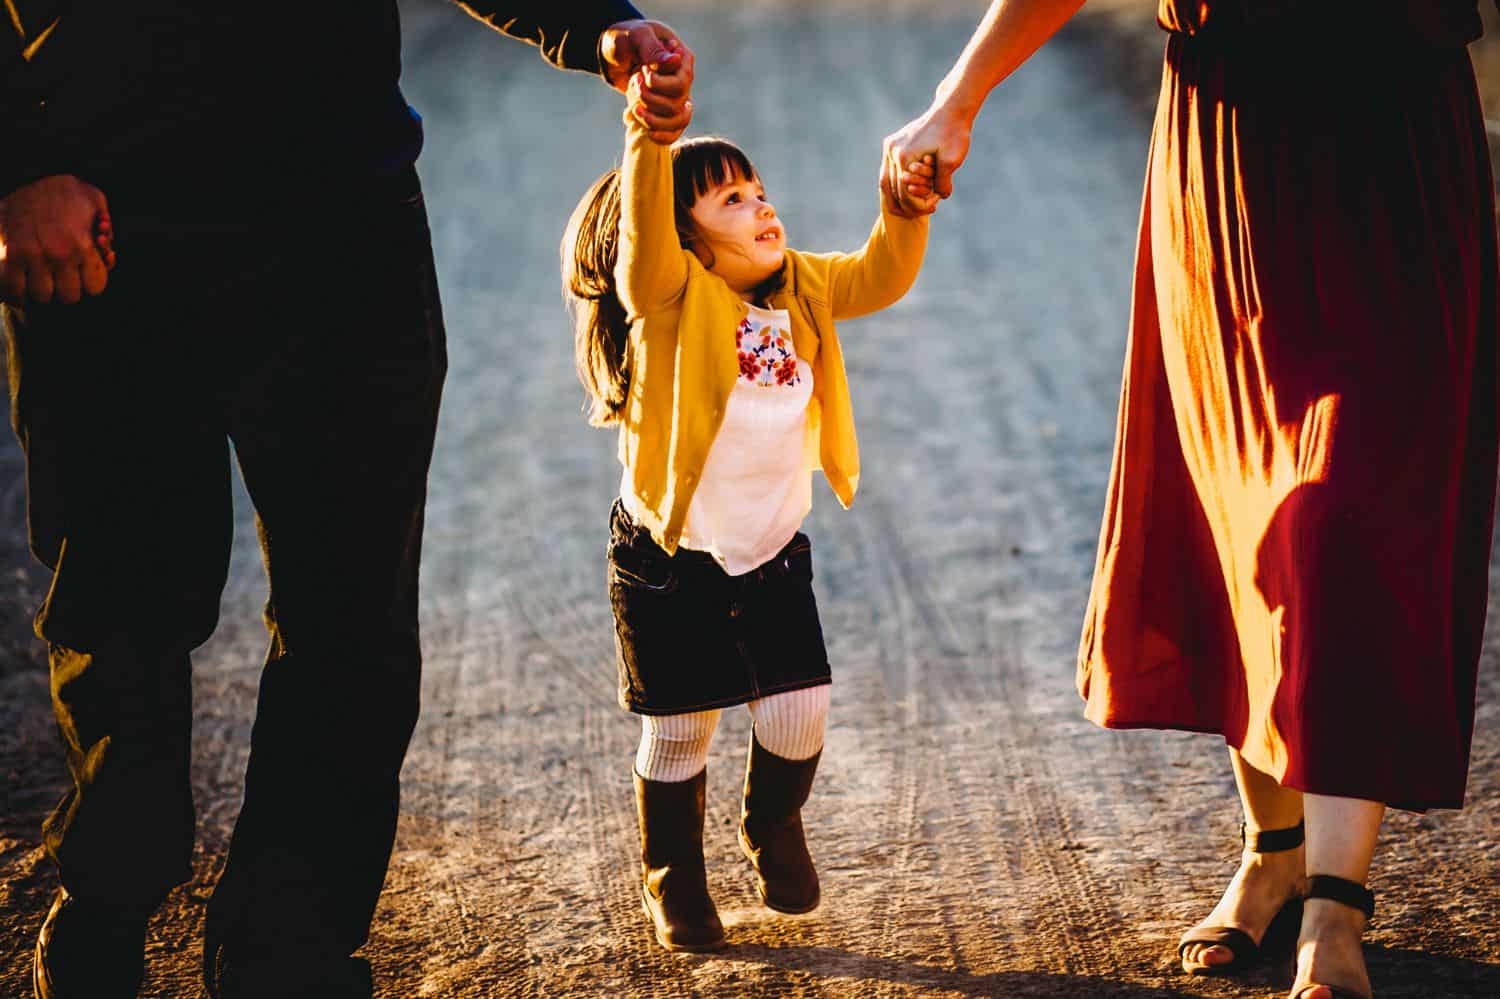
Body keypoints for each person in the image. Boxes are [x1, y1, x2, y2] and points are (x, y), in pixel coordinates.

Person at [0, 4, 694, 997]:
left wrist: (595, 23)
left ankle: (289, 950)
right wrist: (15, 163)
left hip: (341, 218)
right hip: (100, 224)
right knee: (123, 611)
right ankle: (108, 901)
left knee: (350, 621)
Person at [884, 2, 1498, 998]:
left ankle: (1338, 906)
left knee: (1351, 512)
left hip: (1396, 148)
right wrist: (957, 102)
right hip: (1229, 151)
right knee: (1247, 514)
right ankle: (1275, 852)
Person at [560, 69, 930, 951]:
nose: (763, 206)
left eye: (761, 190)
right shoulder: (666, 299)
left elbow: (881, 276)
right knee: (680, 727)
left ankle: (769, 823)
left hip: (767, 550)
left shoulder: (800, 286)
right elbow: (644, 236)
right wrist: (648, 138)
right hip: (670, 553)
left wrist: (904, 208)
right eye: (733, 198)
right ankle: (672, 875)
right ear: (686, 237)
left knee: (801, 713)